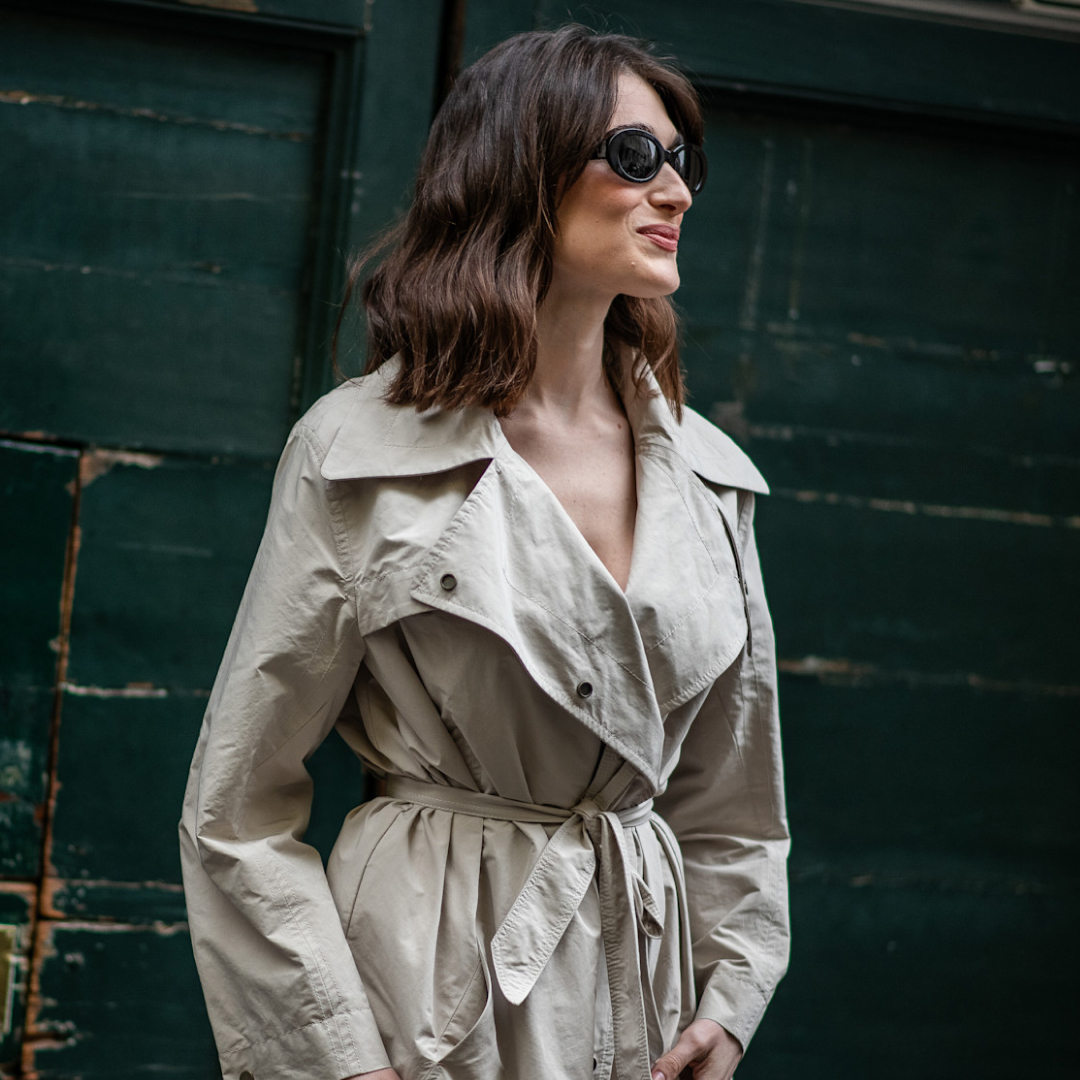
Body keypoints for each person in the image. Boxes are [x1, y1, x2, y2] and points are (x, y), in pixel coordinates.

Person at [179, 24, 790, 1080]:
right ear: (520, 167)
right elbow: (236, 811)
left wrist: (729, 1000)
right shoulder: (361, 451)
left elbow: (735, 803)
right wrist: (338, 1063)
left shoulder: (709, 477)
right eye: (633, 157)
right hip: (423, 987)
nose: (676, 191)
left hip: (640, 991)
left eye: (682, 160)